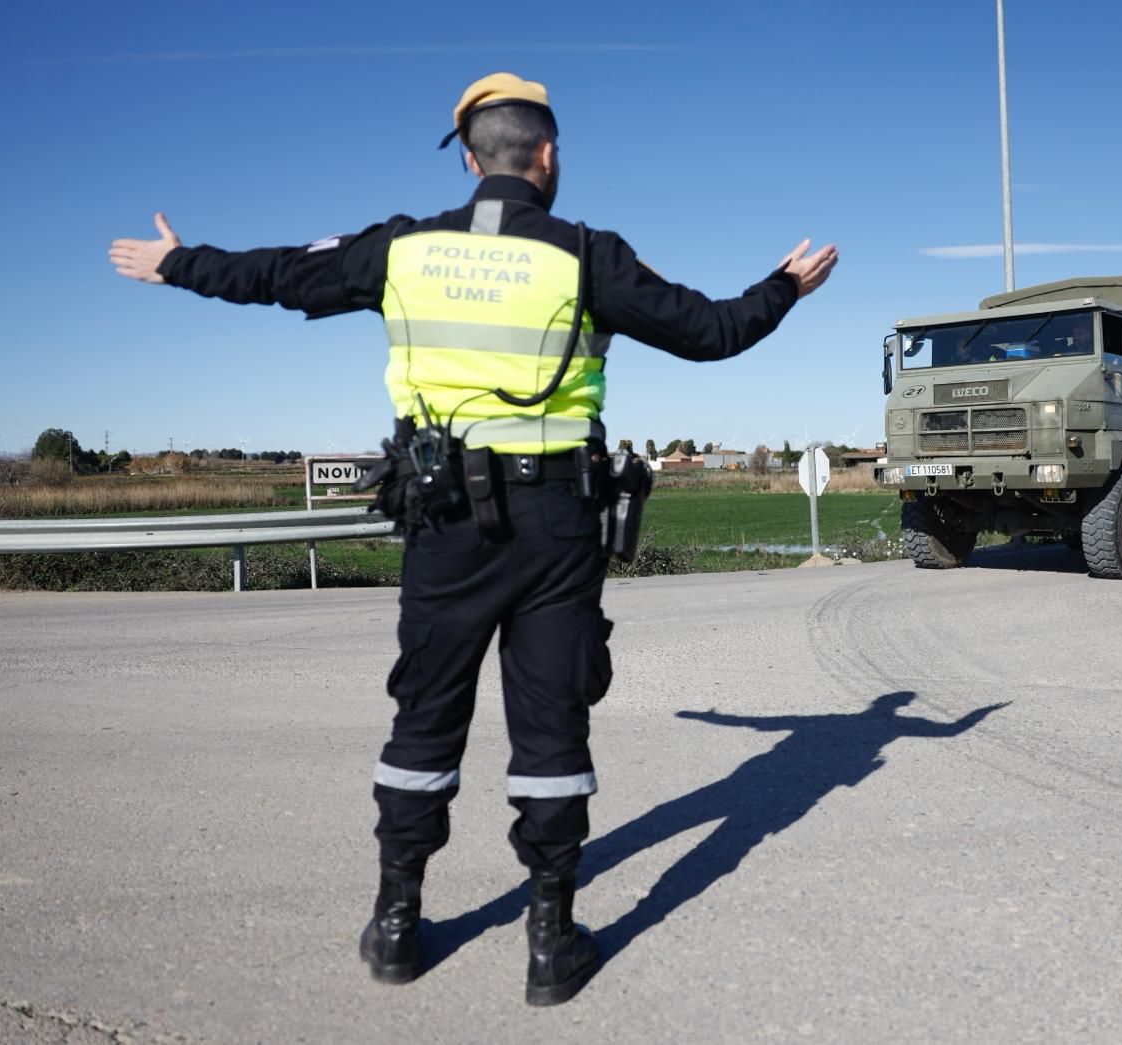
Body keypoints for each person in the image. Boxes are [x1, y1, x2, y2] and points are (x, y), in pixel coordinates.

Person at [108, 72, 837, 1006]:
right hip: (557, 524)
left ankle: (399, 925)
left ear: (467, 157)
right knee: (551, 726)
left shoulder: (404, 250)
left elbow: (280, 273)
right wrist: (785, 286)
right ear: (546, 157)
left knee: (425, 720)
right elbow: (713, 331)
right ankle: (550, 940)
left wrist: (179, 263)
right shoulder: (586, 255)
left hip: (442, 520)